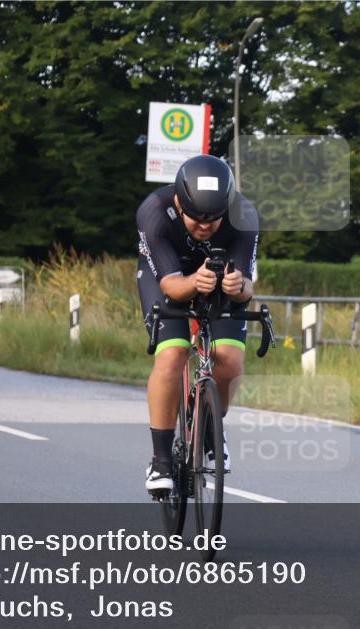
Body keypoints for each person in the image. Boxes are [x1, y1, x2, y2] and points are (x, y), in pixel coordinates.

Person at [135, 155, 259, 493]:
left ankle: (209, 427)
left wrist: (237, 287)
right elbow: (171, 285)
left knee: (231, 358)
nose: (205, 226)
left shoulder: (243, 215)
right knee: (172, 355)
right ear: (179, 201)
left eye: (213, 219)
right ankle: (160, 459)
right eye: (196, 218)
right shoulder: (155, 213)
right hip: (167, 278)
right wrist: (195, 283)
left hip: (218, 282)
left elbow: (247, 285)